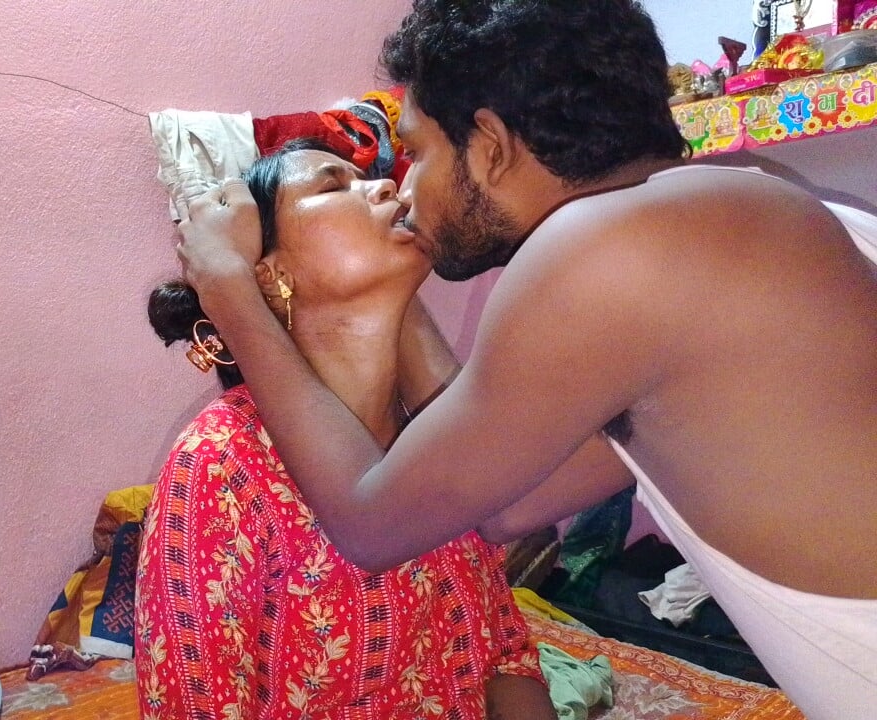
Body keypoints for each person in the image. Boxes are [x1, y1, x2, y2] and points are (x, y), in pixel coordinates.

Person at [171, 1, 877, 718]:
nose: (402, 186)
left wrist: (225, 287)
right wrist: (395, 278)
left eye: (419, 152)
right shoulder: (740, 206)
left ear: (489, 145)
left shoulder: (613, 250)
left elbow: (374, 525)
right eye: (342, 185)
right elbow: (509, 503)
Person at [133, 140, 557, 720]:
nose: (388, 188)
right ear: (271, 273)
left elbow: (505, 653)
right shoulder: (220, 462)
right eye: (334, 186)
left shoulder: (433, 439)